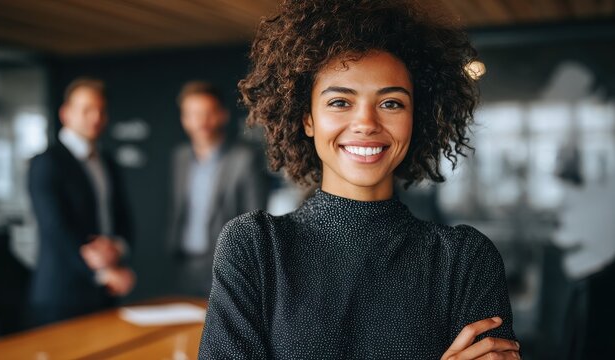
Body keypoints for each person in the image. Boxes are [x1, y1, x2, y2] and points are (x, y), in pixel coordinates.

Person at [199, 0, 519, 359]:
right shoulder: (256, 247)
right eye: (340, 102)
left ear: (417, 119)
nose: (366, 123)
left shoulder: (463, 259)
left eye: (391, 103)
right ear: (308, 119)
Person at [27, 77, 135, 326]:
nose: (95, 117)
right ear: (66, 114)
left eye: (101, 110)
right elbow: (54, 228)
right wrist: (102, 272)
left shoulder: (106, 161)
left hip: (104, 294)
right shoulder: (46, 162)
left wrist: (117, 249)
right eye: (87, 109)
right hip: (62, 295)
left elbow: (122, 217)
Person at [167, 81, 269, 297]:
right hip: (185, 263)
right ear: (184, 119)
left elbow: (254, 218)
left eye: (207, 113)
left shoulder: (244, 159)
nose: (201, 121)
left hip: (227, 264)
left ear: (223, 115)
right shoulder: (181, 157)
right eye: (193, 114)